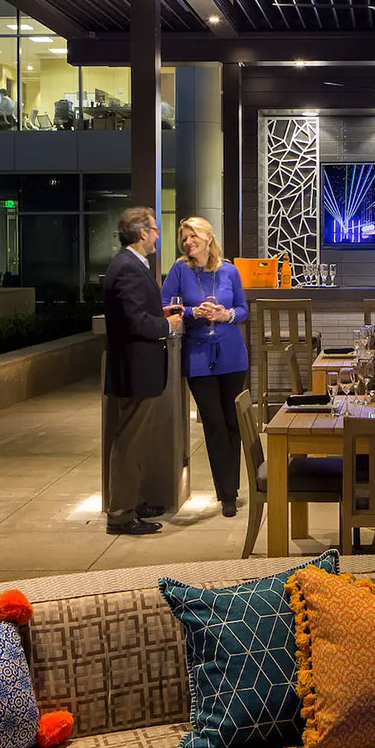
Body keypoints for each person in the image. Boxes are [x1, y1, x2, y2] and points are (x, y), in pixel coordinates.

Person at [162, 217, 249, 517]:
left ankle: (232, 489)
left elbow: (243, 309)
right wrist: (192, 312)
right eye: (184, 238)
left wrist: (227, 315)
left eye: (193, 236)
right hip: (198, 357)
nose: (188, 242)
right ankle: (225, 493)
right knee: (213, 423)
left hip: (232, 355)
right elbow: (165, 305)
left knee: (232, 423)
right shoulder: (179, 270)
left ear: (208, 238)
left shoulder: (229, 270)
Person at [103, 206, 182, 535]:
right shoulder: (127, 268)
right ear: (141, 233)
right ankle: (121, 515)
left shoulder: (131, 264)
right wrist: (167, 324)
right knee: (129, 444)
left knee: (135, 443)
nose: (157, 236)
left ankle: (132, 502)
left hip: (139, 370)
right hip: (135, 371)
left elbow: (134, 311)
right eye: (155, 230)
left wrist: (159, 311)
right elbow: (134, 322)